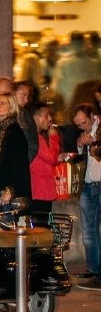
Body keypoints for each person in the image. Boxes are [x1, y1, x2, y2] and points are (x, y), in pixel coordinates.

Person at [71, 104, 101, 289]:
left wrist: (94, 142)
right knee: (88, 232)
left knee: (95, 231)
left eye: (84, 122)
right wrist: (80, 145)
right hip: (88, 185)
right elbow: (79, 159)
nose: (82, 127)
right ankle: (93, 269)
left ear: (92, 116)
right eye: (79, 125)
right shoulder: (84, 134)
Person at [0, 93, 30, 209]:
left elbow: (18, 165)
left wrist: (10, 189)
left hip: (7, 188)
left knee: (7, 218)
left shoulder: (14, 131)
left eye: (3, 103)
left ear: (11, 108)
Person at [29, 102, 60, 213]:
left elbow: (44, 158)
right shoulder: (35, 138)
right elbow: (52, 158)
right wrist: (54, 137)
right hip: (40, 190)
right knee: (41, 222)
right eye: (46, 115)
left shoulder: (36, 136)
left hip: (40, 190)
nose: (50, 118)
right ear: (35, 117)